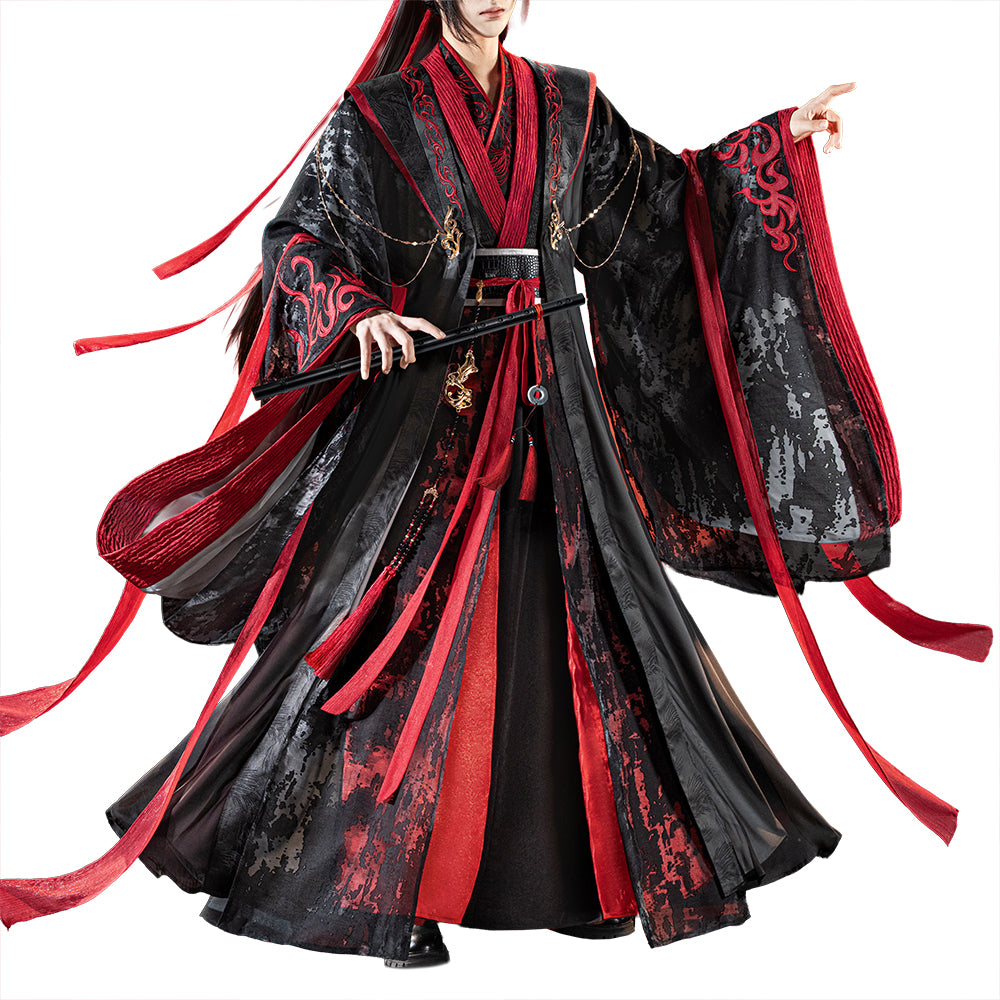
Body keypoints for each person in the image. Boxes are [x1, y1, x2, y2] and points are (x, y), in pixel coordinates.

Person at [0, 0, 993, 975]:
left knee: (578, 618)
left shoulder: (569, 104)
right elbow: (301, 241)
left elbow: (670, 201)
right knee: (403, 628)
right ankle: (380, 888)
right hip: (436, 401)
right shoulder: (379, 115)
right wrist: (355, 314)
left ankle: (579, 879)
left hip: (557, 399)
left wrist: (774, 144)